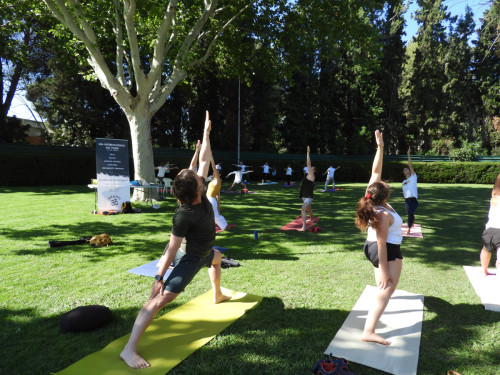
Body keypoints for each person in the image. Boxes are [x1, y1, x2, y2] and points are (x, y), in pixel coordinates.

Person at [120, 111, 231, 369]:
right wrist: (158, 278)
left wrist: (206, 132)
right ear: (196, 189)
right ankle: (129, 349)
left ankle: (217, 295)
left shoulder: (199, 194)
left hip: (206, 251)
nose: (197, 173)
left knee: (217, 260)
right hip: (190, 257)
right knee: (159, 300)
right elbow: (171, 248)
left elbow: (203, 159)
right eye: (194, 176)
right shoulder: (184, 214)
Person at [355, 130, 403, 346]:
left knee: (382, 289)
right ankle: (369, 330)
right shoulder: (383, 214)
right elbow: (382, 244)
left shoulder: (373, 197)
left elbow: (375, 170)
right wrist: (384, 270)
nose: (382, 180)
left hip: (372, 246)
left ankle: (374, 314)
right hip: (384, 249)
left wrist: (380, 147)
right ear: (385, 195)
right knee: (387, 287)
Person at [480, 171, 500, 276]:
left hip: (489, 231)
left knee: (486, 249)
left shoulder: (495, 199)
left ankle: (484, 270)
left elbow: (495, 189)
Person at [299, 146, 317, 231]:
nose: (310, 168)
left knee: (303, 209)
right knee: (308, 208)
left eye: (312, 168)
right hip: (306, 195)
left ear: (314, 170)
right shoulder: (308, 175)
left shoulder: (311, 175)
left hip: (308, 197)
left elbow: (308, 163)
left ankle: (304, 227)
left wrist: (308, 153)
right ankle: (312, 218)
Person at [207, 156, 228, 230]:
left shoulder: (218, 181)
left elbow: (213, 167)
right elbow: (218, 196)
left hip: (210, 199)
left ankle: (225, 226)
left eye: (217, 172)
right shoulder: (214, 181)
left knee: (215, 215)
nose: (215, 172)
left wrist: (211, 158)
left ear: (220, 175)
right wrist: (218, 207)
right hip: (209, 199)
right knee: (208, 213)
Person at [402, 147, 418, 235]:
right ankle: (412, 220)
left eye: (407, 169)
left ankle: (408, 229)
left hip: (414, 200)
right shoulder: (403, 182)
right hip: (407, 201)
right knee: (410, 214)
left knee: (410, 214)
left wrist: (408, 154)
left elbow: (410, 165)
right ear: (404, 173)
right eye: (404, 170)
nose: (406, 170)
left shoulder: (413, 177)